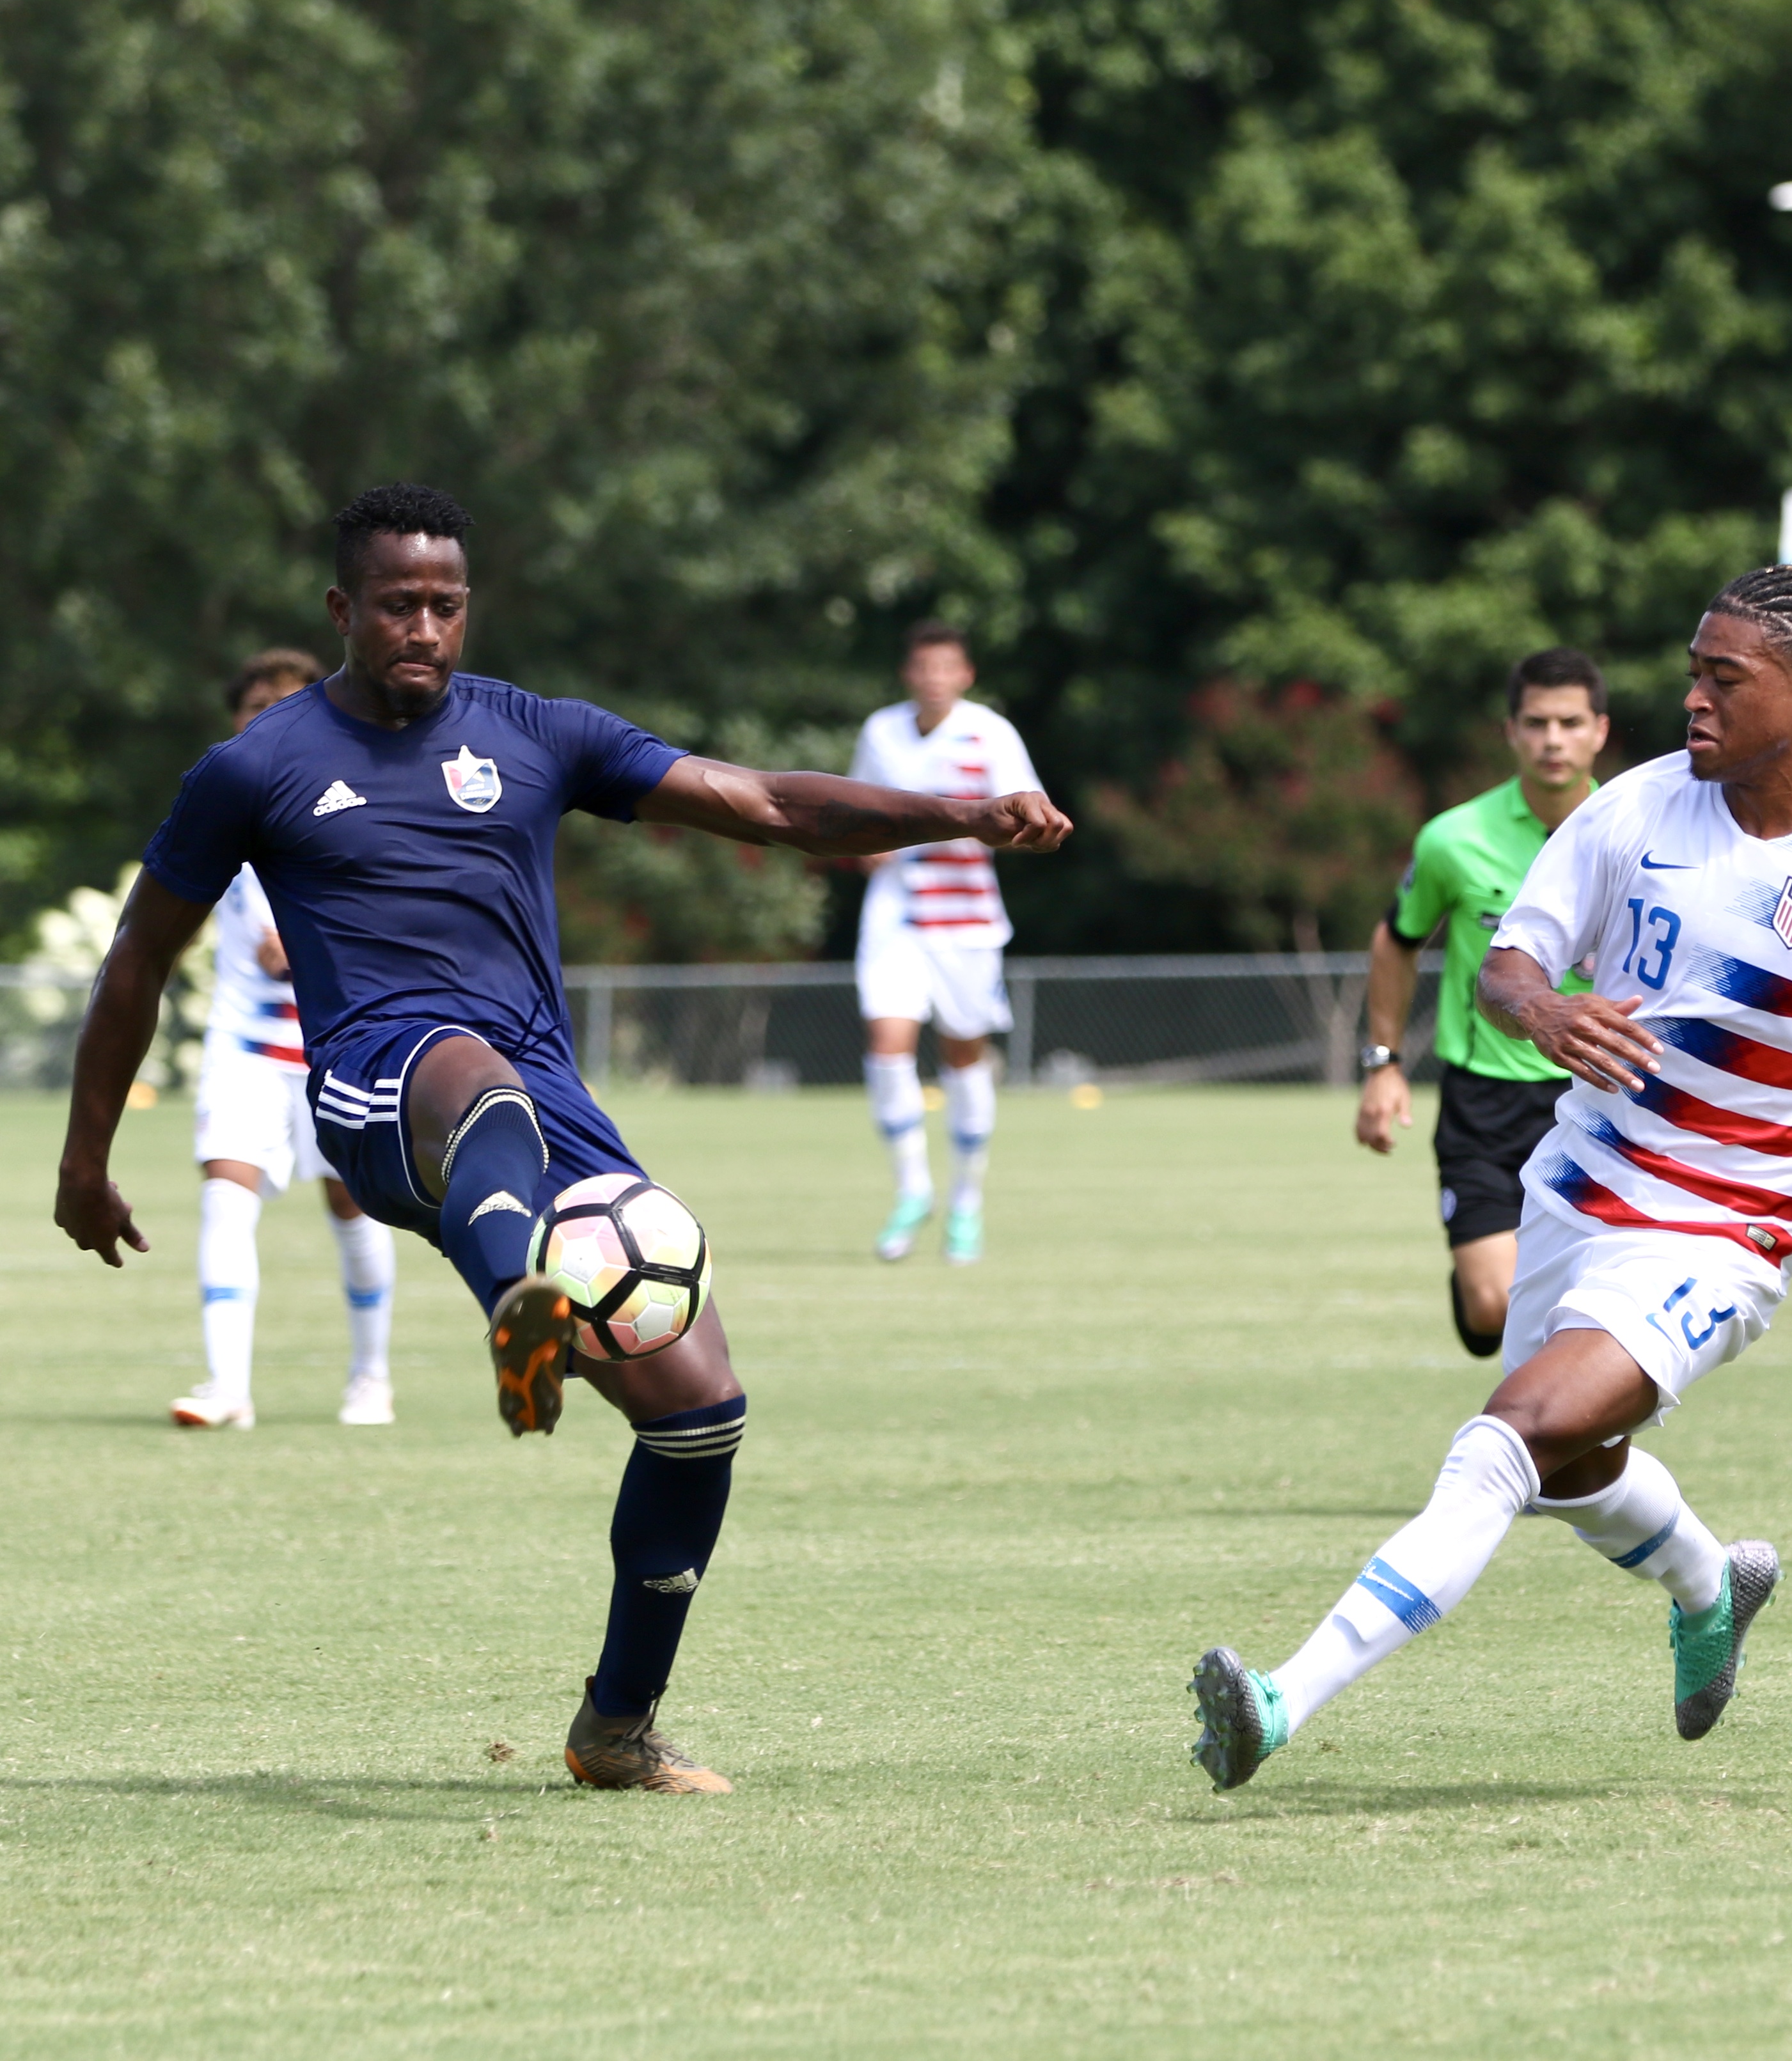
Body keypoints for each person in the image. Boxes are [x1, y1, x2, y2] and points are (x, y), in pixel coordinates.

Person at [55, 483, 1071, 1791]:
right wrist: (85, 1163)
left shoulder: (535, 734)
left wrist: (958, 814)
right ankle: (517, 1302)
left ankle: (616, 1724)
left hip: (550, 1107)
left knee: (699, 1407)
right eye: (396, 603)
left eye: (446, 603)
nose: (424, 624)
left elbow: (764, 804)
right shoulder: (259, 765)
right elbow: (137, 958)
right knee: (468, 1075)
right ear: (341, 610)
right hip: (382, 1089)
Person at [1190, 565, 1792, 1789]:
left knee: (1511, 1437)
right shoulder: (1635, 808)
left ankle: (1277, 1704)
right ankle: (1711, 1583)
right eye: (1691, 673)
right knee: (1570, 1471)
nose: (1690, 700)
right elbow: (1510, 963)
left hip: (1727, 1230)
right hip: (1577, 1193)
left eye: (1721, 679)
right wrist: (1541, 1010)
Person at [1355, 647, 1610, 1354]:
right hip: (1484, 1103)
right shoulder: (1453, 839)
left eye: (1568, 722)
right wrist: (1383, 1063)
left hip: (1601, 1101)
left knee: (1586, 1315)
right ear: (1510, 732)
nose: (1552, 740)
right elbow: (1395, 941)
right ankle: (1478, 1296)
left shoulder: (1638, 833)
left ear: (1599, 731)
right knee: (1495, 1309)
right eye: (1535, 723)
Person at [171, 649, 401, 1430]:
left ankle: (371, 1378)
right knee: (224, 1204)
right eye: (253, 706)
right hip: (243, 1055)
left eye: (286, 703)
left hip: (337, 1054)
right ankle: (226, 1387)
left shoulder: (348, 809)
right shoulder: (222, 805)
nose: (267, 719)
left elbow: (292, 945)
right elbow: (261, 946)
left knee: (355, 1211)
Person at [849, 622, 1044, 1265]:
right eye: (923, 666)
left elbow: (1027, 811)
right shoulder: (880, 731)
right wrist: (864, 848)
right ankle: (912, 1189)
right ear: (910, 673)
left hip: (965, 918)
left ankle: (966, 1202)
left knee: (963, 1053)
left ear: (965, 675)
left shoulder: (990, 732)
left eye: (946, 667)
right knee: (887, 1044)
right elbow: (852, 815)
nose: (934, 677)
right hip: (895, 913)